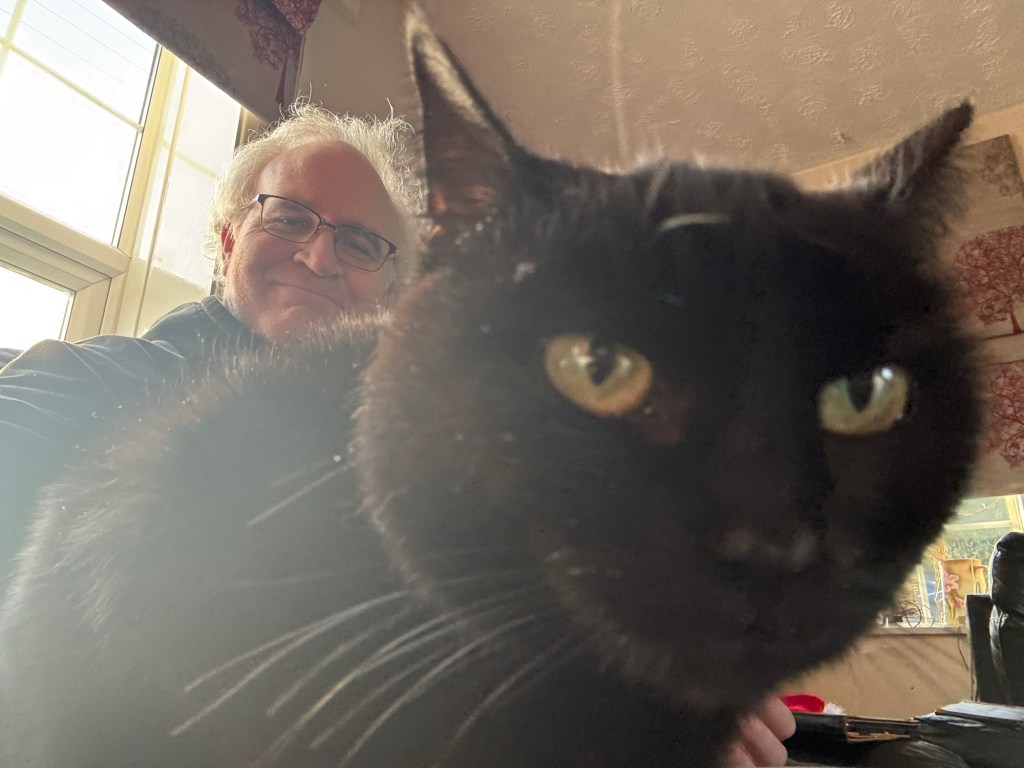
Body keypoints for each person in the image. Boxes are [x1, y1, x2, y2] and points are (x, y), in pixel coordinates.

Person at [0, 101, 794, 768]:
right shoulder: (85, 380)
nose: (319, 255)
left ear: (391, 288)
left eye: (359, 243)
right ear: (230, 237)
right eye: (289, 217)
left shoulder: (433, 453)